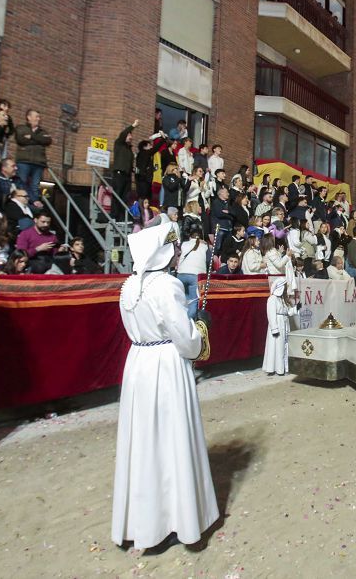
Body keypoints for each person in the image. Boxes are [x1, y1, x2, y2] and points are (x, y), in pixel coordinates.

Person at [112, 217, 218, 550]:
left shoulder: (130, 285)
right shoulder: (167, 286)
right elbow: (185, 340)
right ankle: (177, 520)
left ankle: (143, 522)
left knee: (144, 440)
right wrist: (200, 327)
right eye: (173, 247)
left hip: (138, 362)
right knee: (170, 437)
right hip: (165, 363)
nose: (177, 252)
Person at [14, 109, 53, 204]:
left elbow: (47, 141)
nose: (38, 119)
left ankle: (34, 204)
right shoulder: (21, 128)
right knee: (21, 182)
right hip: (24, 161)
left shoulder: (43, 131)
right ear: (29, 117)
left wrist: (31, 137)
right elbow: (21, 140)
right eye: (36, 116)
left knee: (35, 186)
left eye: (39, 117)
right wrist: (39, 140)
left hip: (39, 162)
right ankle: (19, 202)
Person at [263, 277, 297, 375]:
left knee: (283, 346)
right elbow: (271, 314)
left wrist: (295, 309)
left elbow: (287, 312)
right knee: (276, 347)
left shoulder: (282, 300)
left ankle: (283, 368)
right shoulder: (272, 299)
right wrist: (274, 329)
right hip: (278, 325)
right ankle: (275, 368)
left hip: (284, 324)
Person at [177, 227, 209, 320]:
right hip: (195, 275)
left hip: (181, 273)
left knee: (181, 300)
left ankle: (180, 320)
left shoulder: (184, 244)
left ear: (190, 236)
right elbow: (208, 260)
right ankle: (189, 323)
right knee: (193, 301)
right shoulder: (204, 246)